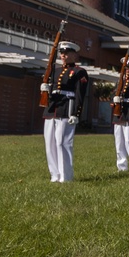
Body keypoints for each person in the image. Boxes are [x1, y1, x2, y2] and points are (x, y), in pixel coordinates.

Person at [41, 41, 88, 182]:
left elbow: (80, 94)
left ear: (74, 55)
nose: (63, 55)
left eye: (66, 53)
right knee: (49, 144)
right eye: (62, 53)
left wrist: (76, 113)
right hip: (52, 108)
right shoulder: (54, 71)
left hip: (67, 108)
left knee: (63, 143)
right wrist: (44, 88)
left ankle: (66, 176)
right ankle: (54, 175)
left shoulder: (80, 72)